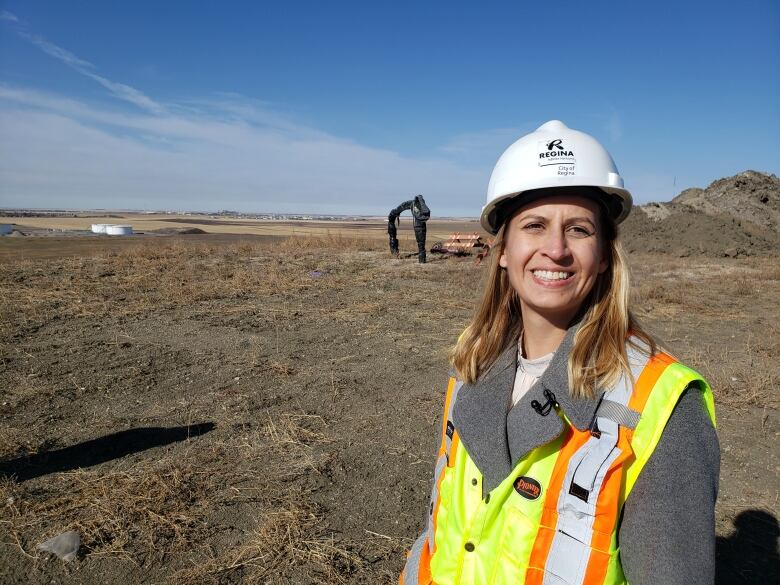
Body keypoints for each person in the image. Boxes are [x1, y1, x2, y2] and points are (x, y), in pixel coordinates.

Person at [400, 121, 719, 585]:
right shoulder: (470, 366)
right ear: (503, 249)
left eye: (578, 229)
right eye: (534, 226)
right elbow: (441, 527)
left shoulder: (660, 408)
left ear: (605, 254)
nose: (555, 250)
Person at [388, 194, 431, 263]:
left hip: (419, 226)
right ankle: (422, 259)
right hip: (419, 225)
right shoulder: (414, 205)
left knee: (421, 243)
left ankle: (422, 259)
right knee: (421, 244)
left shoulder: (414, 205)